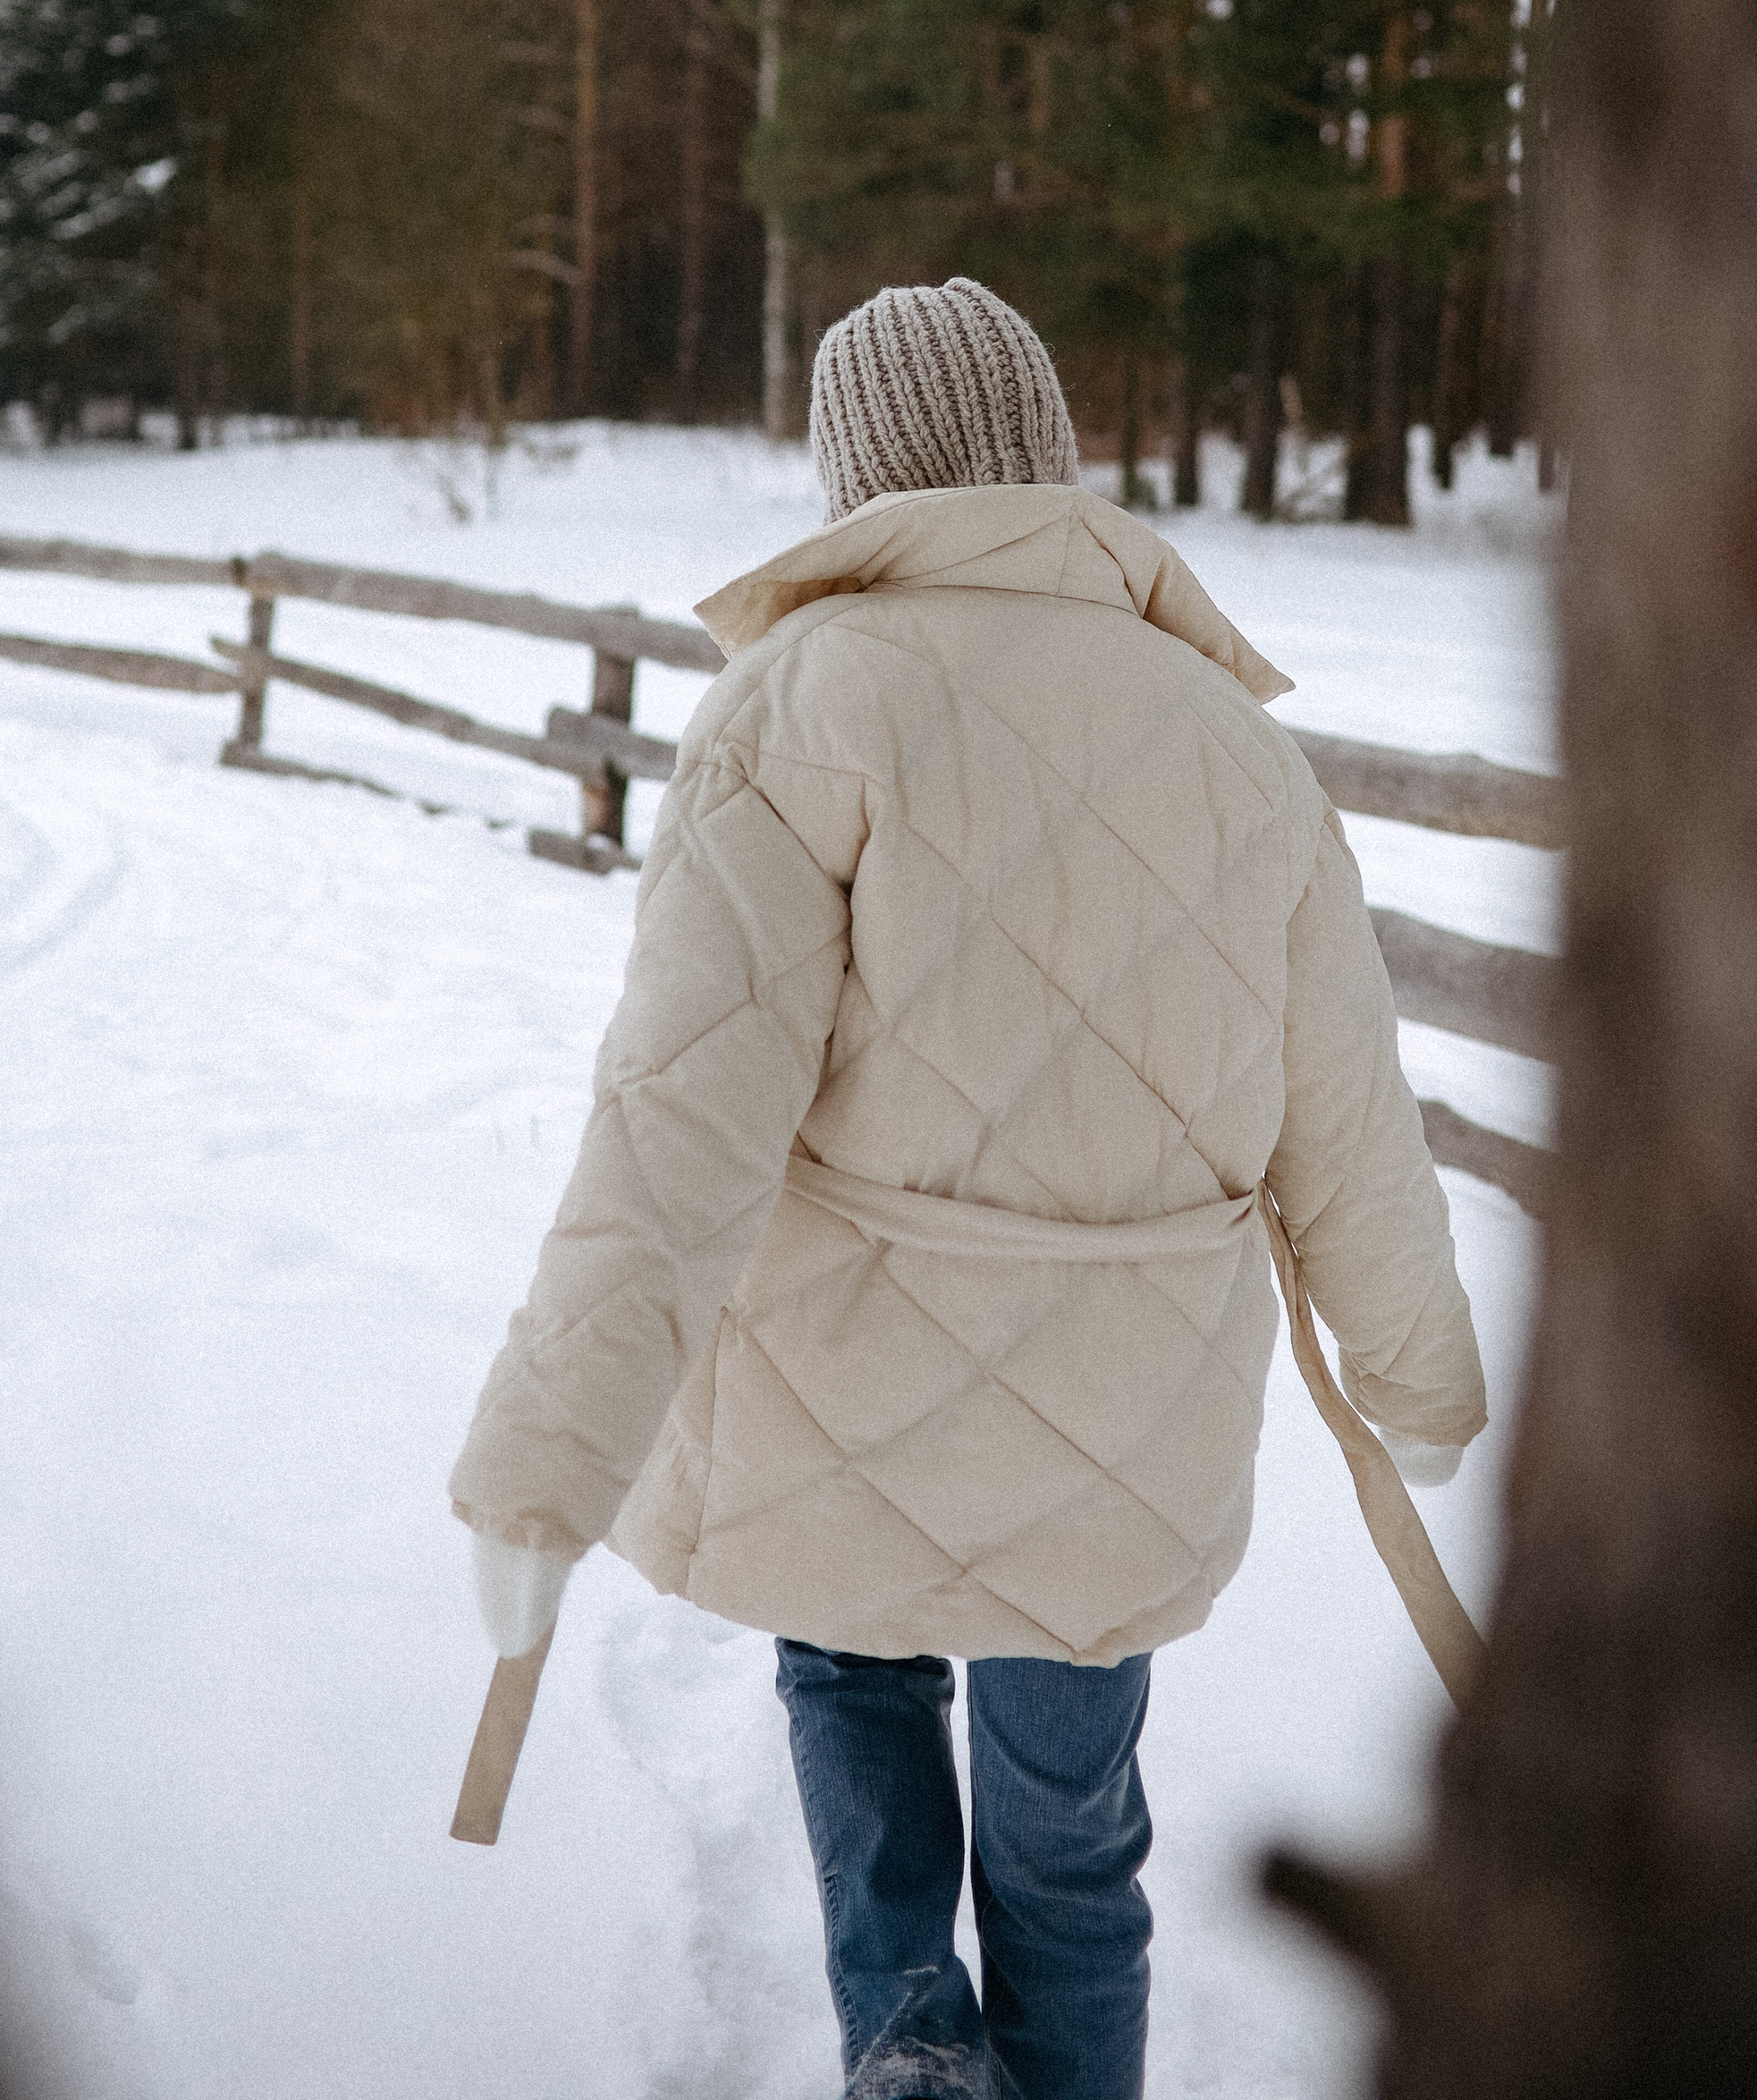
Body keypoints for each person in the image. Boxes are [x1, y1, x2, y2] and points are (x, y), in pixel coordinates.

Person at [450, 277, 1485, 2100]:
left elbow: (679, 1124)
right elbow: (1349, 1110)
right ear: (1044, 448)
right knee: (1073, 1844)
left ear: (860, 472)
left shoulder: (798, 704)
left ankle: (912, 2045)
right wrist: (1415, 1376)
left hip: (841, 1371)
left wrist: (548, 1460)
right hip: (1122, 1415)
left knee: (850, 1683)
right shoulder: (1234, 740)